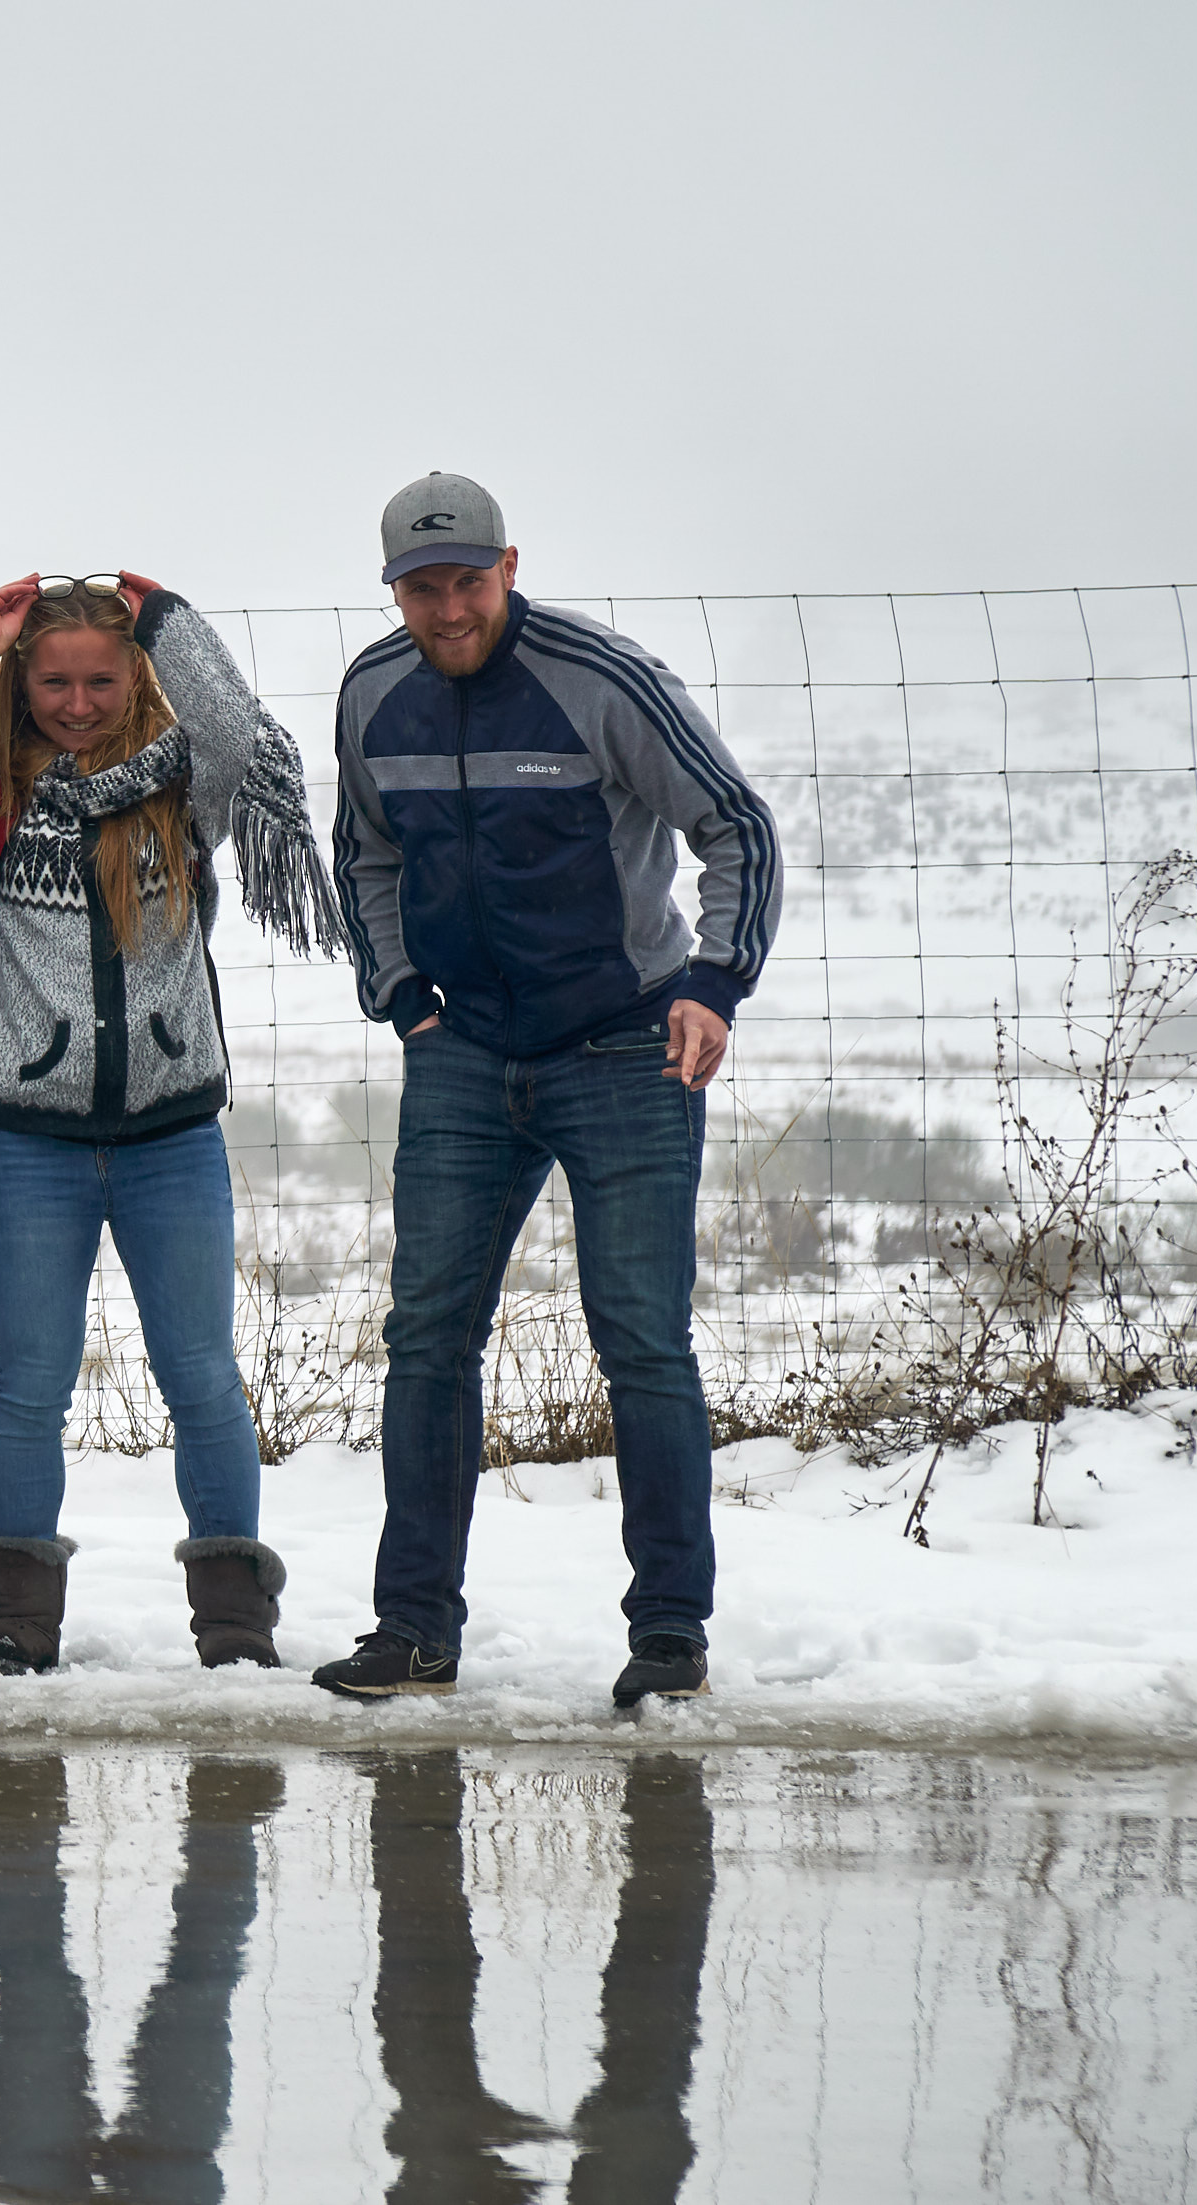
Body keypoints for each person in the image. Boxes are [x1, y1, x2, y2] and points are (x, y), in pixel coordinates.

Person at [315, 472, 781, 1708]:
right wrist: (402, 993)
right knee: (427, 1338)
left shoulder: (601, 680)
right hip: (462, 1053)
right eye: (423, 586)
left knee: (641, 1341)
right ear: (394, 590)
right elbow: (362, 851)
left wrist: (715, 984)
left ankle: (669, 1638)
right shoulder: (373, 693)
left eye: (468, 580)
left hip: (627, 1045)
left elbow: (736, 824)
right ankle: (414, 1633)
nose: (448, 606)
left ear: (509, 568)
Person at [0, 572, 339, 1674]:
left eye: (101, 680)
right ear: (23, 685)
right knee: (30, 1382)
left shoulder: (185, 793)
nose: (77, 702)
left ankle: (233, 1624)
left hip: (172, 1141)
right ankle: (16, 1622)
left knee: (201, 1378)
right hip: (33, 1146)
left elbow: (238, 730)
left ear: (134, 678)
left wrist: (166, 619)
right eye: (53, 682)